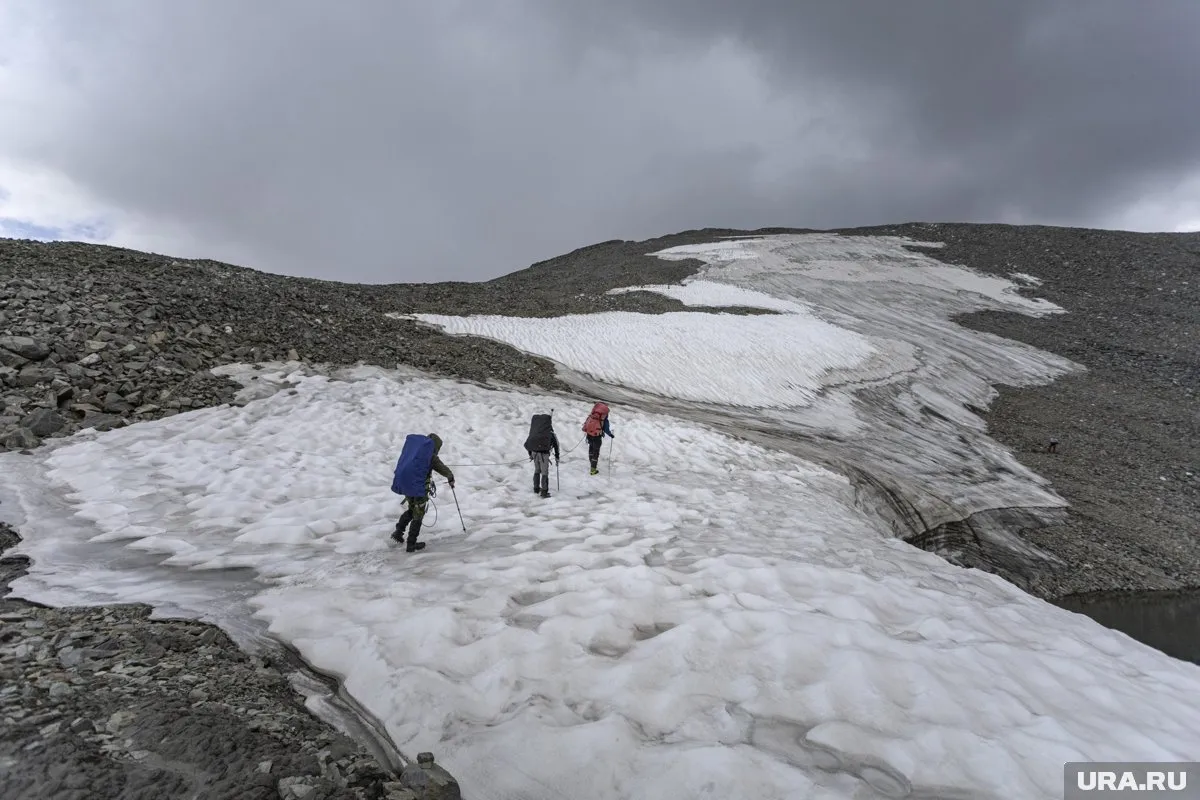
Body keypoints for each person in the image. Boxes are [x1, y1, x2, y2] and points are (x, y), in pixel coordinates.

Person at [391, 432, 455, 553]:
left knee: (411, 509)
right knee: (418, 514)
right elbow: (442, 468)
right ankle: (411, 544)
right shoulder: (430, 456)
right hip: (418, 487)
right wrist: (450, 477)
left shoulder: (415, 452)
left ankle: (398, 532)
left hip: (407, 484)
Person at [524, 413, 560, 498]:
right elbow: (556, 445)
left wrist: (530, 454)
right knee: (544, 472)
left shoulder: (534, 432)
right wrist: (557, 456)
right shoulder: (550, 433)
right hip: (544, 454)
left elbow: (529, 443)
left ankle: (536, 488)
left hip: (534, 452)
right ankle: (544, 491)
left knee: (537, 470)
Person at [581, 402, 614, 475]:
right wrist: (610, 435)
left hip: (589, 434)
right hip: (597, 436)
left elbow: (586, 423)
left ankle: (591, 463)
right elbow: (606, 429)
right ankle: (593, 470)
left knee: (591, 448)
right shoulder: (603, 419)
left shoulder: (592, 415)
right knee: (596, 452)